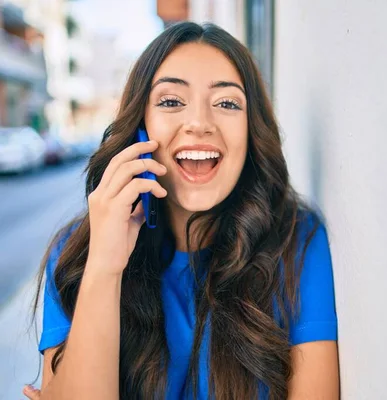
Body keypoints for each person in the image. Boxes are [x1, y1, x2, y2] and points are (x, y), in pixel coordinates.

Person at [23, 22, 338, 400]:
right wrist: (105, 266)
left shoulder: (297, 243)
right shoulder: (77, 253)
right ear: (140, 127)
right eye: (171, 101)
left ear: (252, 131)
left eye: (227, 103)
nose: (200, 124)